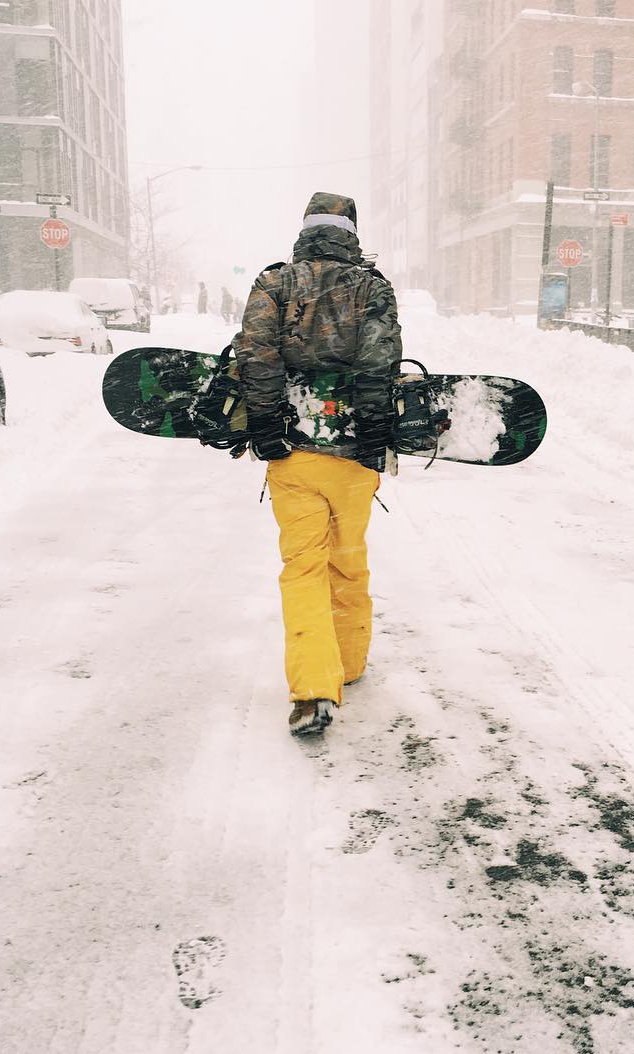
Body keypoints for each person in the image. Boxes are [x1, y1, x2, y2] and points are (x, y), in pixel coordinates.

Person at [232, 192, 401, 738]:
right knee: (348, 559)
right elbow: (379, 361)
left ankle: (312, 689)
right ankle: (348, 664)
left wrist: (265, 424)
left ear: (305, 230)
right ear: (351, 231)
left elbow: (256, 355)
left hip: (294, 454)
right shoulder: (372, 287)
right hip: (353, 457)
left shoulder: (274, 284)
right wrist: (374, 431)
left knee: (301, 567)